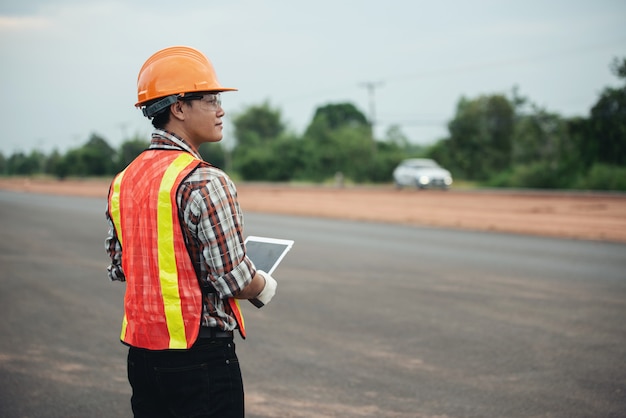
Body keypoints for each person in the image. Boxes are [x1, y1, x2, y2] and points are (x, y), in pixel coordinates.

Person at [105, 45, 278, 418]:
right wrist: (262, 283)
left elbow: (120, 267)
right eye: (210, 98)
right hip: (201, 360)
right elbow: (233, 280)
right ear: (178, 108)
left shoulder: (124, 181)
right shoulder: (206, 181)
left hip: (142, 359)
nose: (221, 109)